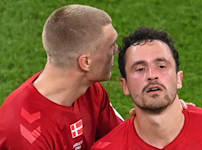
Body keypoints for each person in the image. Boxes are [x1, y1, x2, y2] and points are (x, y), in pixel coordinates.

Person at [91, 27, 202, 150]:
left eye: (161, 66)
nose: (152, 75)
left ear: (178, 79)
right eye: (140, 69)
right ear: (125, 86)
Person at [0, 4, 123, 150]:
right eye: (111, 45)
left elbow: (122, 140)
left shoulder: (91, 91)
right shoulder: (27, 133)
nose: (117, 50)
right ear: (86, 62)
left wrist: (145, 123)